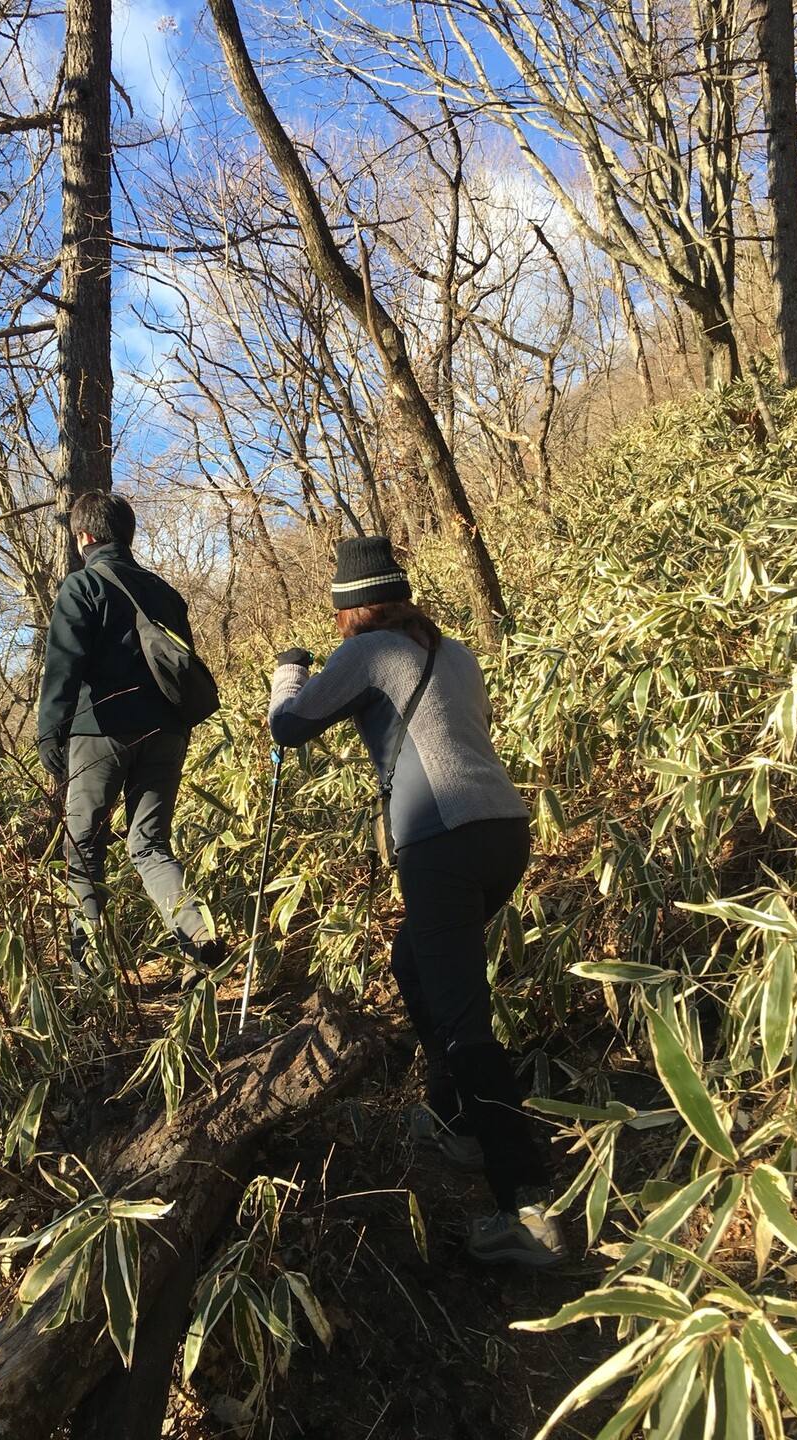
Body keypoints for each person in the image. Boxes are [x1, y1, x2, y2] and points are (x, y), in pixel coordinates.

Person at [267, 535, 566, 1267]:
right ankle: (451, 1116)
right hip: (503, 833)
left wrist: (287, 671)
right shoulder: (454, 650)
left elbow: (289, 725)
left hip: (441, 844)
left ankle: (526, 1207)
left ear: (348, 611)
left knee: (465, 1023)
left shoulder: (366, 652)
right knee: (413, 962)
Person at [37, 492, 223, 980]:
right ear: (128, 535)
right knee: (151, 845)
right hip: (167, 731)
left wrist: (49, 733)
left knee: (84, 850)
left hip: (100, 733)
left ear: (84, 537)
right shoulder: (163, 591)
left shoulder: (81, 587)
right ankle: (198, 934)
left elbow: (63, 666)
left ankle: (91, 972)